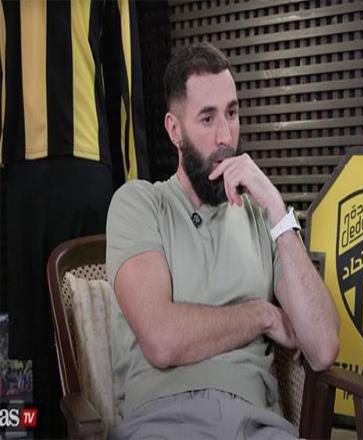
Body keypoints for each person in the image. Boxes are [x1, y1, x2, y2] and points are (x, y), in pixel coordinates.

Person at [106, 42, 339, 439]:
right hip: (165, 421)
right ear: (174, 130)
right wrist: (263, 315)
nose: (225, 136)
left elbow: (322, 347)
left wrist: (276, 209)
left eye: (232, 113)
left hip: (256, 424)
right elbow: (162, 340)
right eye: (207, 118)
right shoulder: (140, 204)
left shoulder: (261, 219)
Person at [0, 1, 149, 438]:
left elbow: (127, 76)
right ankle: (27, 429)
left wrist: (138, 196)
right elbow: (127, 79)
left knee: (86, 336)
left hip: (76, 172)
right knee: (28, 345)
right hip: (29, 175)